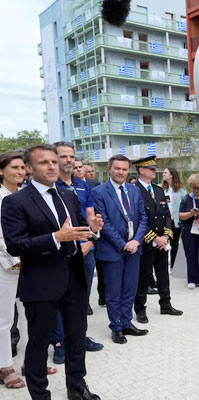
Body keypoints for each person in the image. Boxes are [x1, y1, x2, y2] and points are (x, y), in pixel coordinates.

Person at [2, 144, 103, 400]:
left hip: (74, 279)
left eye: (54, 162)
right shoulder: (15, 201)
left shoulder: (67, 196)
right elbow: (15, 245)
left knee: (76, 337)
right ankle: (40, 395)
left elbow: (77, 229)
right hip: (41, 282)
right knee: (38, 343)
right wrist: (55, 237)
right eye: (44, 163)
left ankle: (77, 387)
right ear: (28, 168)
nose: (51, 167)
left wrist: (91, 228)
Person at [91, 155, 149, 345]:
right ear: (109, 168)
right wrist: (123, 243)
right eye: (117, 168)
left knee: (129, 290)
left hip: (134, 249)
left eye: (124, 169)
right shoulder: (99, 192)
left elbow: (143, 218)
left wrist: (136, 241)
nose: (121, 172)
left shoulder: (134, 190)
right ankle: (116, 327)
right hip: (112, 249)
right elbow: (104, 223)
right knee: (114, 292)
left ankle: (126, 322)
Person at [54, 142, 103, 357]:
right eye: (63, 156)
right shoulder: (49, 185)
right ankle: (59, 342)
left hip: (85, 249)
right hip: (59, 251)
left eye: (71, 156)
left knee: (81, 296)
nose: (69, 160)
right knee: (58, 297)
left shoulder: (82, 185)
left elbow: (90, 219)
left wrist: (92, 238)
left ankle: (79, 336)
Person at [132, 156, 182, 323]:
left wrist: (166, 236)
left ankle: (165, 304)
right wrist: (154, 238)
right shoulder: (133, 190)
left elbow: (166, 214)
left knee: (163, 275)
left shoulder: (159, 190)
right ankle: (140, 309)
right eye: (151, 168)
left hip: (162, 241)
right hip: (146, 242)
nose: (155, 171)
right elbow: (136, 219)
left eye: (155, 168)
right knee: (143, 277)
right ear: (141, 170)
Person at [0, 152, 29, 390]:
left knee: (29, 314)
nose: (20, 172)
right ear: (1, 171)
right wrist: (13, 260)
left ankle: (30, 361)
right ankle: (5, 367)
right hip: (6, 266)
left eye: (22, 167)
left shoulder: (23, 196)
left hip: (30, 263)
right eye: (14, 167)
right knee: (5, 318)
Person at [178, 173, 199, 289]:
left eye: (198, 187)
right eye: (194, 187)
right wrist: (190, 213)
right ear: (190, 186)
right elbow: (180, 215)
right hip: (189, 230)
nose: (196, 190)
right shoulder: (186, 199)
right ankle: (193, 279)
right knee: (191, 255)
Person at [162, 167, 187, 273]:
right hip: (165, 221)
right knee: (163, 243)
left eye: (165, 172)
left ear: (171, 175)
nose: (163, 174)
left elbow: (185, 204)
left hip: (176, 221)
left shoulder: (181, 190)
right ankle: (163, 266)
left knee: (175, 243)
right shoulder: (162, 189)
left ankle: (173, 265)